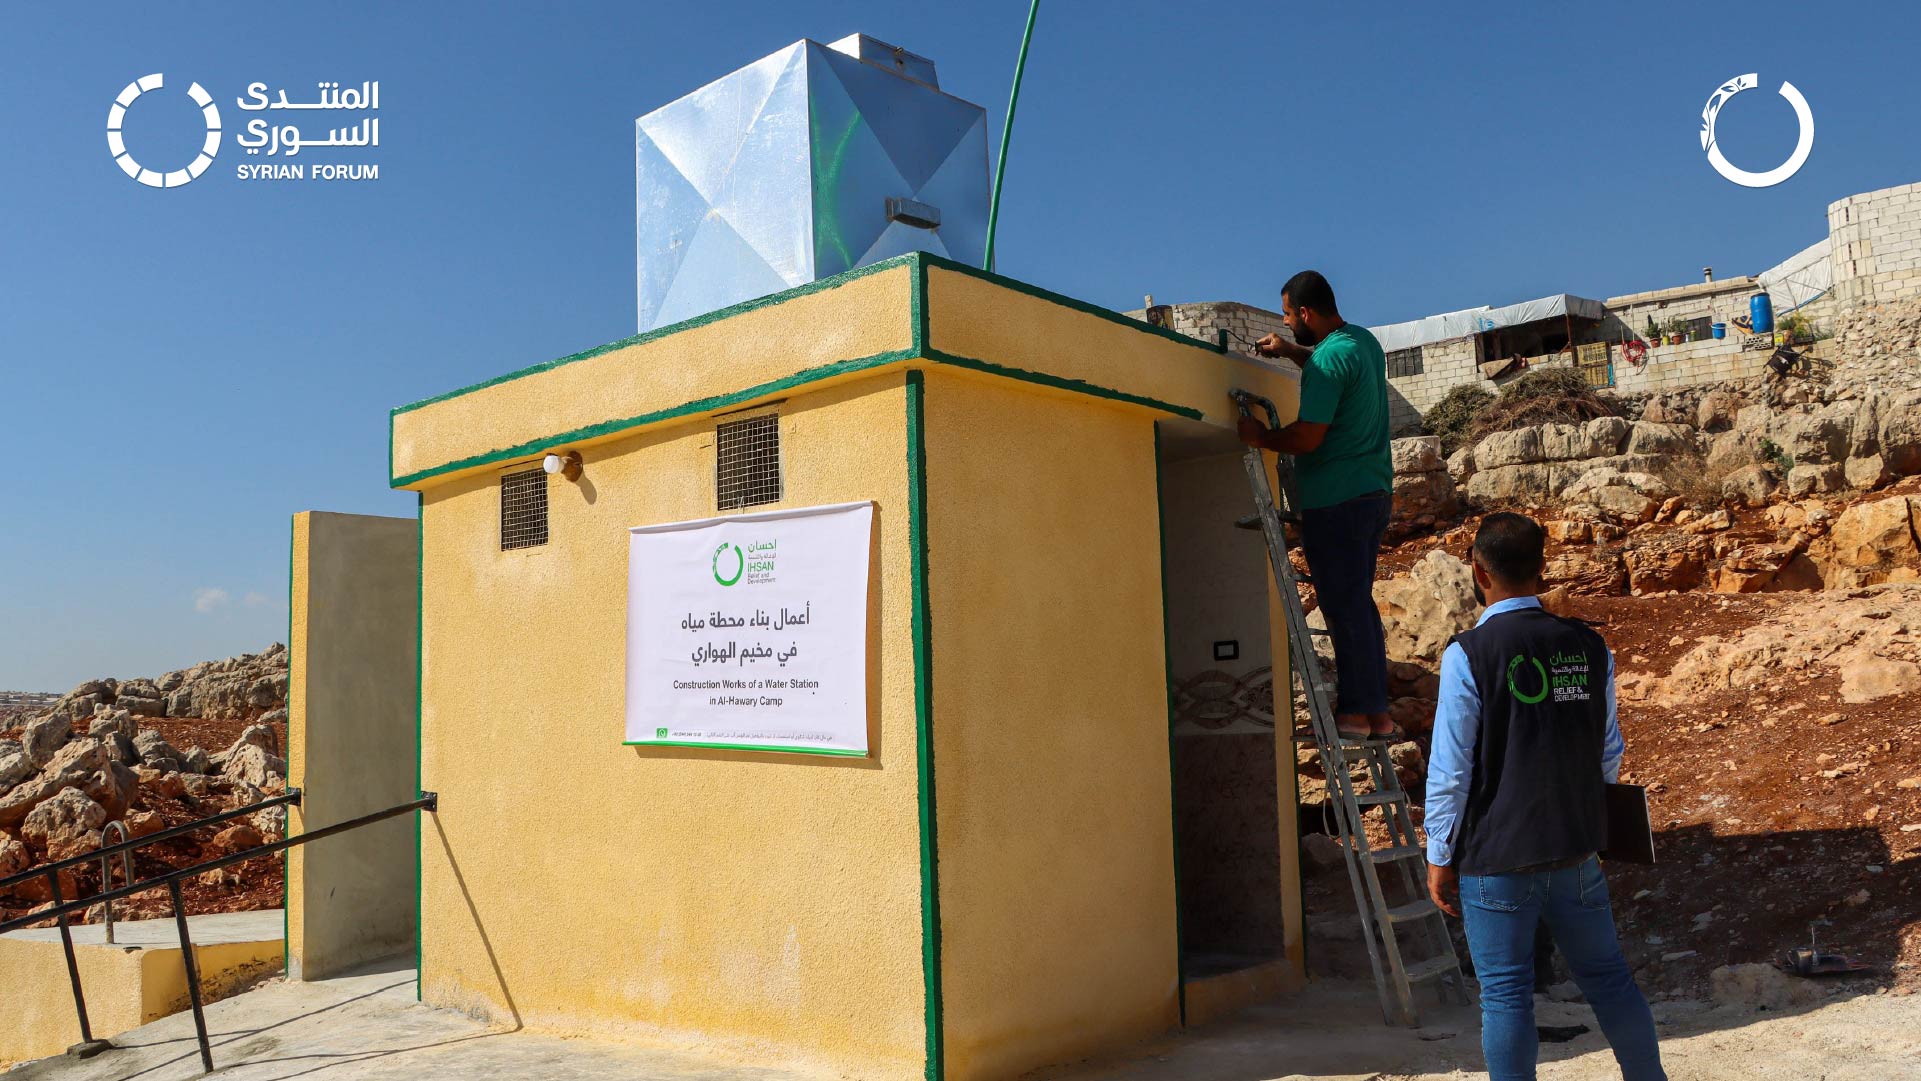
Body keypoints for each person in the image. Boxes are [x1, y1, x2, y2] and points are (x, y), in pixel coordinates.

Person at [1424, 513, 1666, 1081]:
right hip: (1577, 851)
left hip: (1497, 857)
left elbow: (1451, 770)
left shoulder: (1468, 654)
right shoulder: (1588, 644)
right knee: (1609, 978)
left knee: (1505, 995)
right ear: (1543, 567)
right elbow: (1609, 748)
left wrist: (1439, 853)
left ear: (1477, 572)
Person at [1239, 270, 1395, 741]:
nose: (1286, 324)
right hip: (1371, 494)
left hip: (1336, 500)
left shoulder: (1329, 360)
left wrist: (1262, 437)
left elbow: (1308, 436)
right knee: (1358, 605)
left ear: (1305, 312)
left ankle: (1355, 716)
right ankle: (1378, 716)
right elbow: (1331, 368)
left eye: (1288, 315)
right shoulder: (1361, 343)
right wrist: (1290, 353)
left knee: (1343, 607)